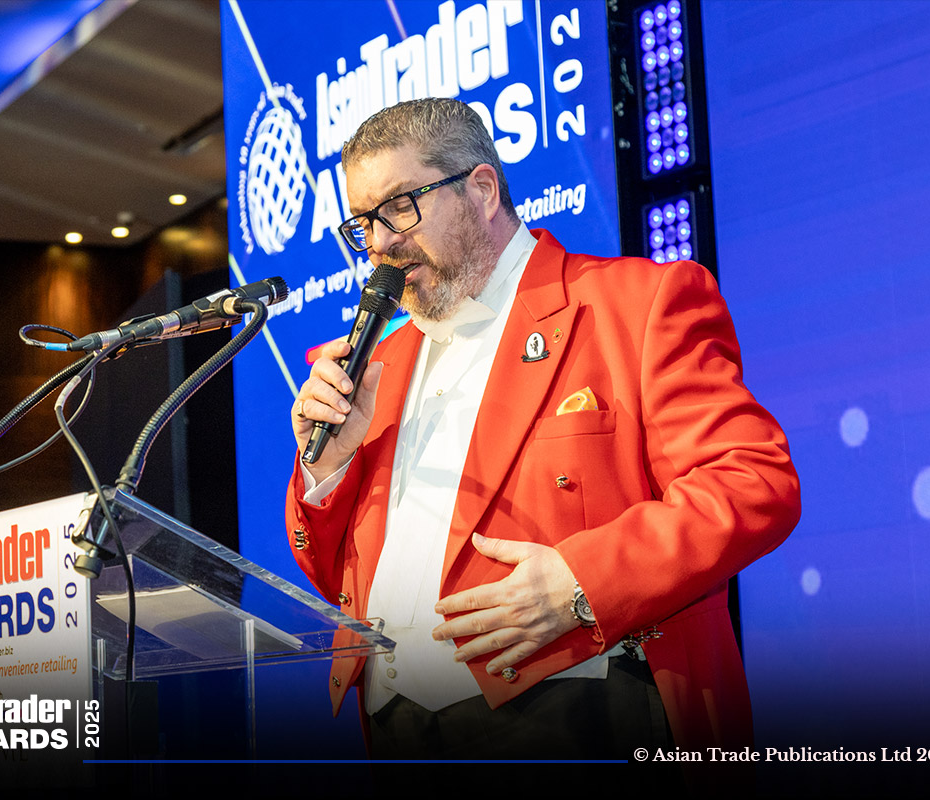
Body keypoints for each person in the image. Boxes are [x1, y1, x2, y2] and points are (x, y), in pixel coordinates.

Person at [285, 97, 800, 762]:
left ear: (481, 189)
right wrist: (326, 469)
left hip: (581, 713)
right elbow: (337, 579)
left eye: (400, 206)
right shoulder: (378, 362)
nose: (380, 243)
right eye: (364, 222)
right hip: (398, 738)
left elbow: (753, 483)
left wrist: (584, 584)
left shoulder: (635, 304)